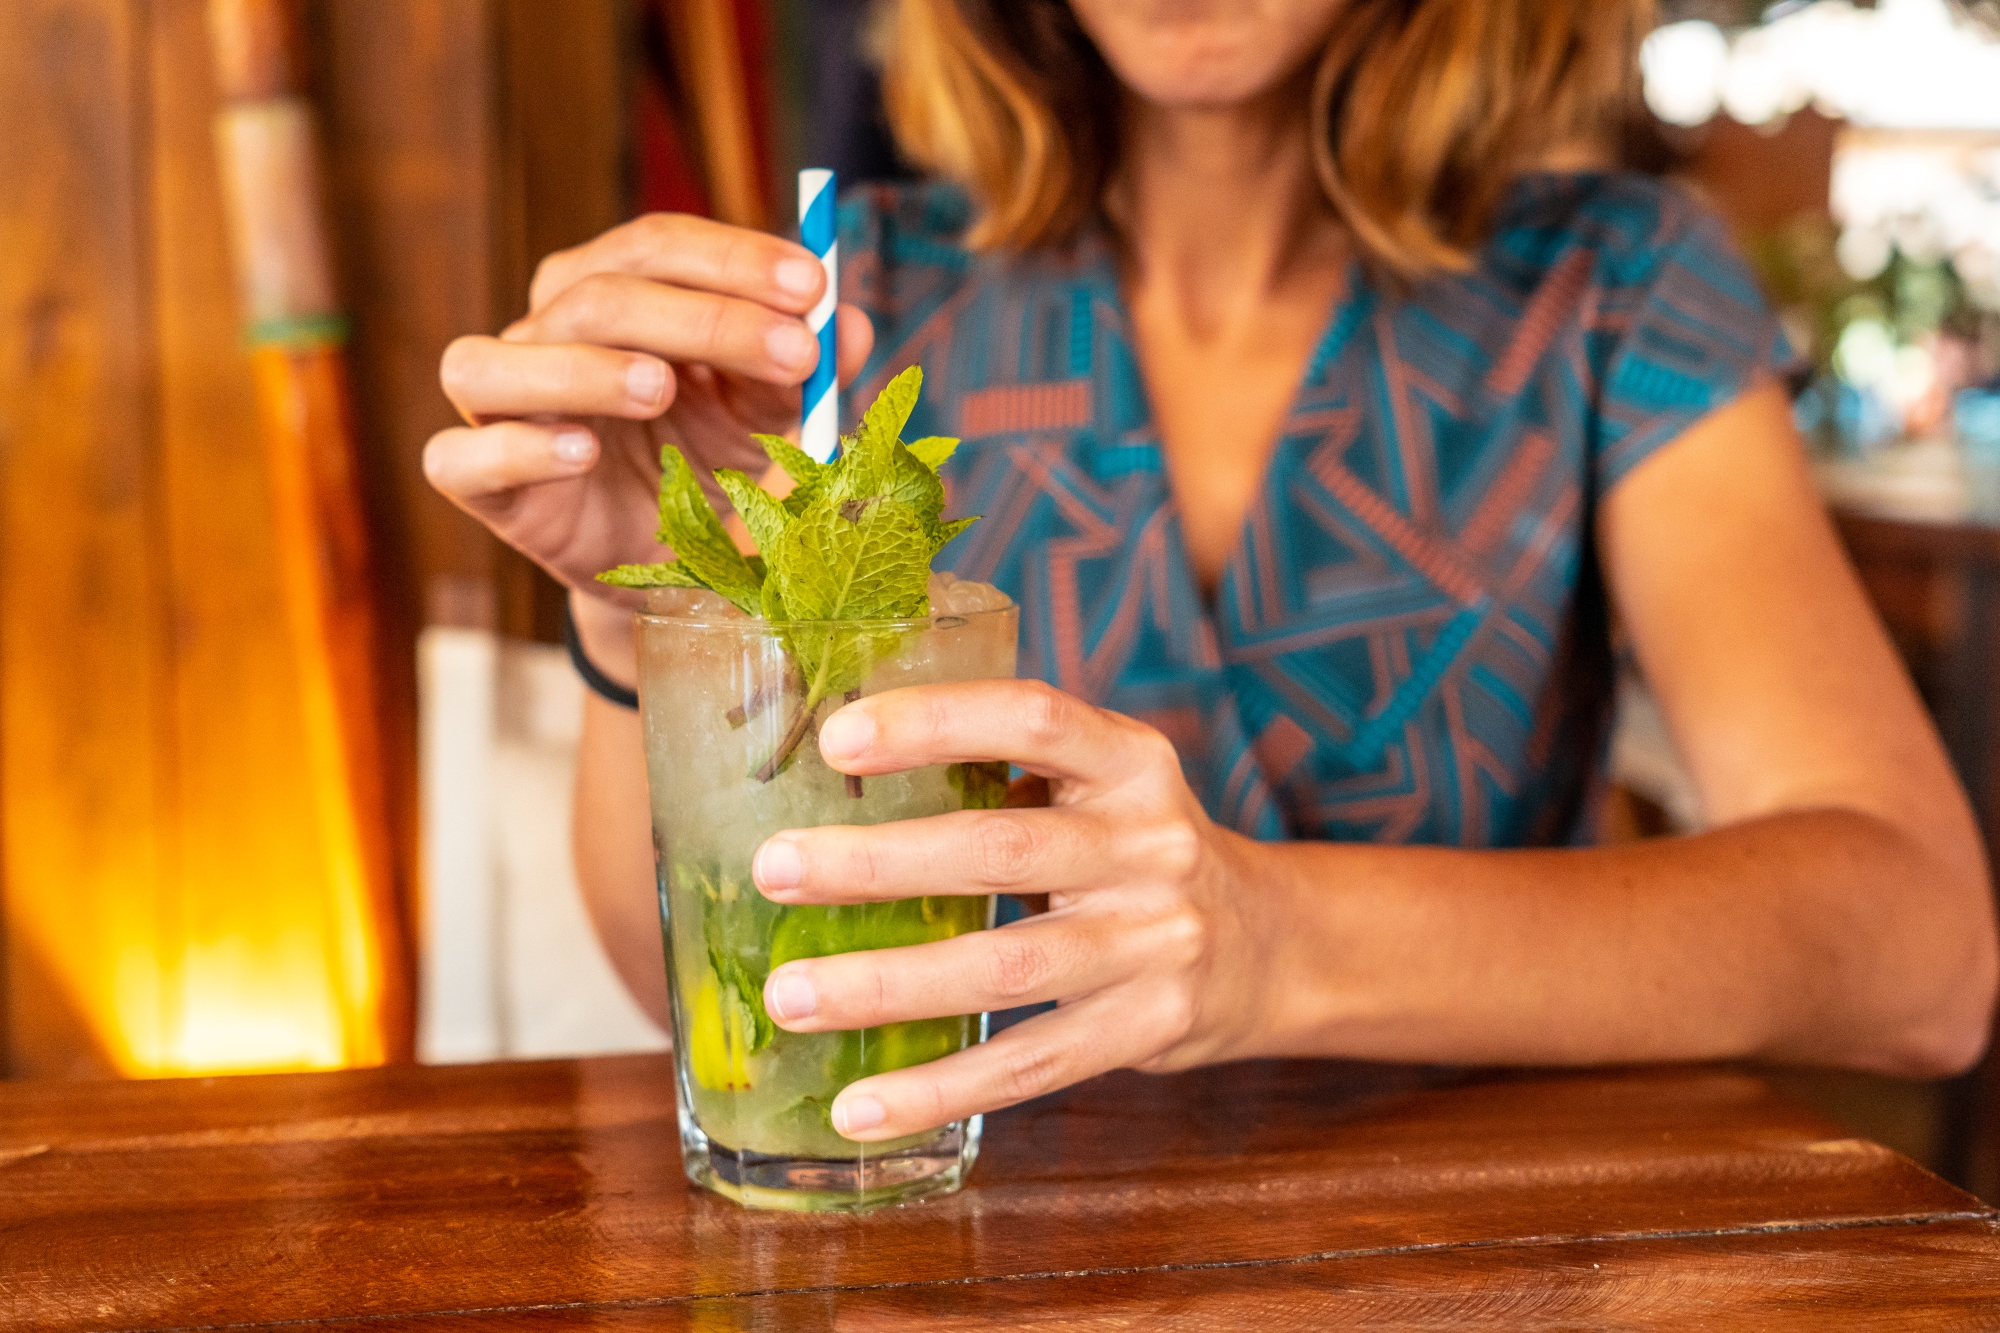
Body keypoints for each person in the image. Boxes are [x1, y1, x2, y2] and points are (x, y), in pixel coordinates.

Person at [424, 0, 1997, 1145]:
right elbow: (710, 1000)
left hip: (1474, 1256)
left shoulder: (1617, 289)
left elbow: (1925, 956)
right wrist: (640, 619)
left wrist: (1276, 936)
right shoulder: (837, 314)